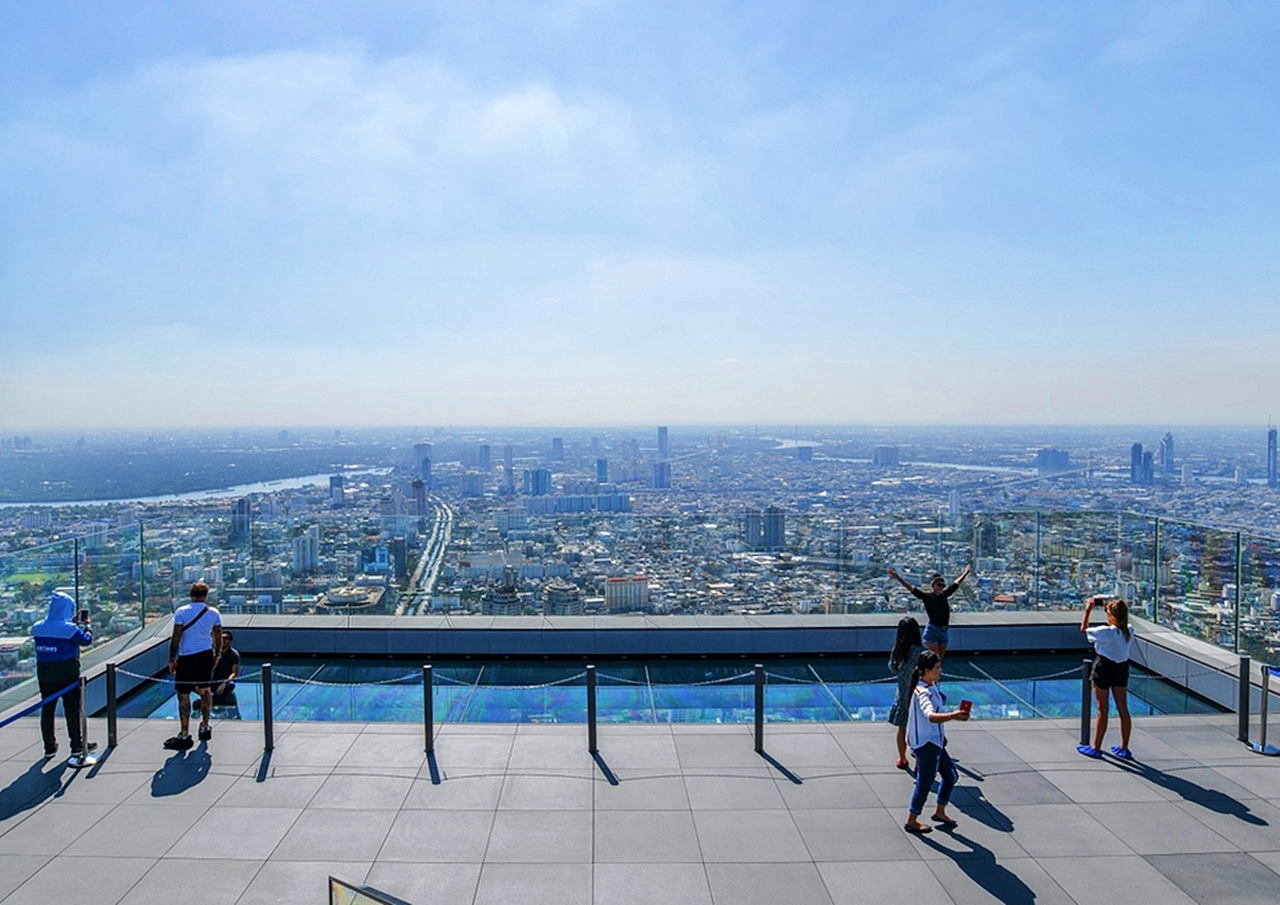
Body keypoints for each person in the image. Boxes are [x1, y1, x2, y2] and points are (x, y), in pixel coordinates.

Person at [903, 649, 969, 834]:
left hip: (934, 741)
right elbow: (931, 716)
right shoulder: (922, 692)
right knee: (924, 783)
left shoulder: (931, 687)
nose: (940, 671)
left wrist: (942, 735)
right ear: (927, 670)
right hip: (926, 744)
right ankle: (912, 820)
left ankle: (940, 811)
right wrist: (953, 715)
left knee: (950, 776)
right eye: (937, 668)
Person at [32, 590, 96, 761]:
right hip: (67, 674)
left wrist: (70, 622)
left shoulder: (37, 627)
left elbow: (55, 631)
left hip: (45, 674)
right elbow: (86, 640)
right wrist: (87, 627)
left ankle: (49, 747)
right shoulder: (69, 629)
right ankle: (76, 745)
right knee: (72, 710)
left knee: (48, 710)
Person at [166, 582, 222, 750]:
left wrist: (172, 658)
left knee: (183, 695)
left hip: (187, 657)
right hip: (205, 655)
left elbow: (176, 637)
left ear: (191, 595)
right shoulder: (213, 613)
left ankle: (184, 733)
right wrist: (217, 655)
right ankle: (205, 726)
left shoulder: (182, 612)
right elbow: (218, 637)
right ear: (206, 595)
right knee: (205, 691)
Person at [1079, 595, 1134, 760]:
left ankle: (1096, 747)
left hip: (1104, 668)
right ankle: (1124, 747)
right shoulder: (1129, 630)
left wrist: (1088, 610)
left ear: (1111, 615)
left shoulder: (1105, 632)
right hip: (1122, 668)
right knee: (1123, 708)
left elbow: (1084, 629)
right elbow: (1118, 623)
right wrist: (1108, 609)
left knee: (1102, 710)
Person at [888, 565, 972, 659]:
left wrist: (965, 573)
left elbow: (956, 584)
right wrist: (898, 578)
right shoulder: (928, 597)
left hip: (944, 630)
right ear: (933, 586)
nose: (941, 587)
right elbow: (911, 588)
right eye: (939, 585)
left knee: (940, 659)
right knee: (935, 659)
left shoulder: (944, 595)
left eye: (943, 585)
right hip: (933, 630)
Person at [887, 616, 926, 771]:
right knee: (919, 731)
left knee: (902, 728)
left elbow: (893, 668)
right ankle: (918, 763)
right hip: (919, 696)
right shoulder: (922, 652)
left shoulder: (898, 650)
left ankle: (902, 758)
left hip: (902, 696)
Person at [210, 629, 241, 718]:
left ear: (230, 641)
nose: (223, 641)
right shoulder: (213, 653)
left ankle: (213, 701)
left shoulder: (234, 655)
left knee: (230, 685)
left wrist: (224, 683)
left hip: (226, 681)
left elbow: (234, 673)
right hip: (214, 680)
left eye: (225, 638)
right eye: (221, 638)